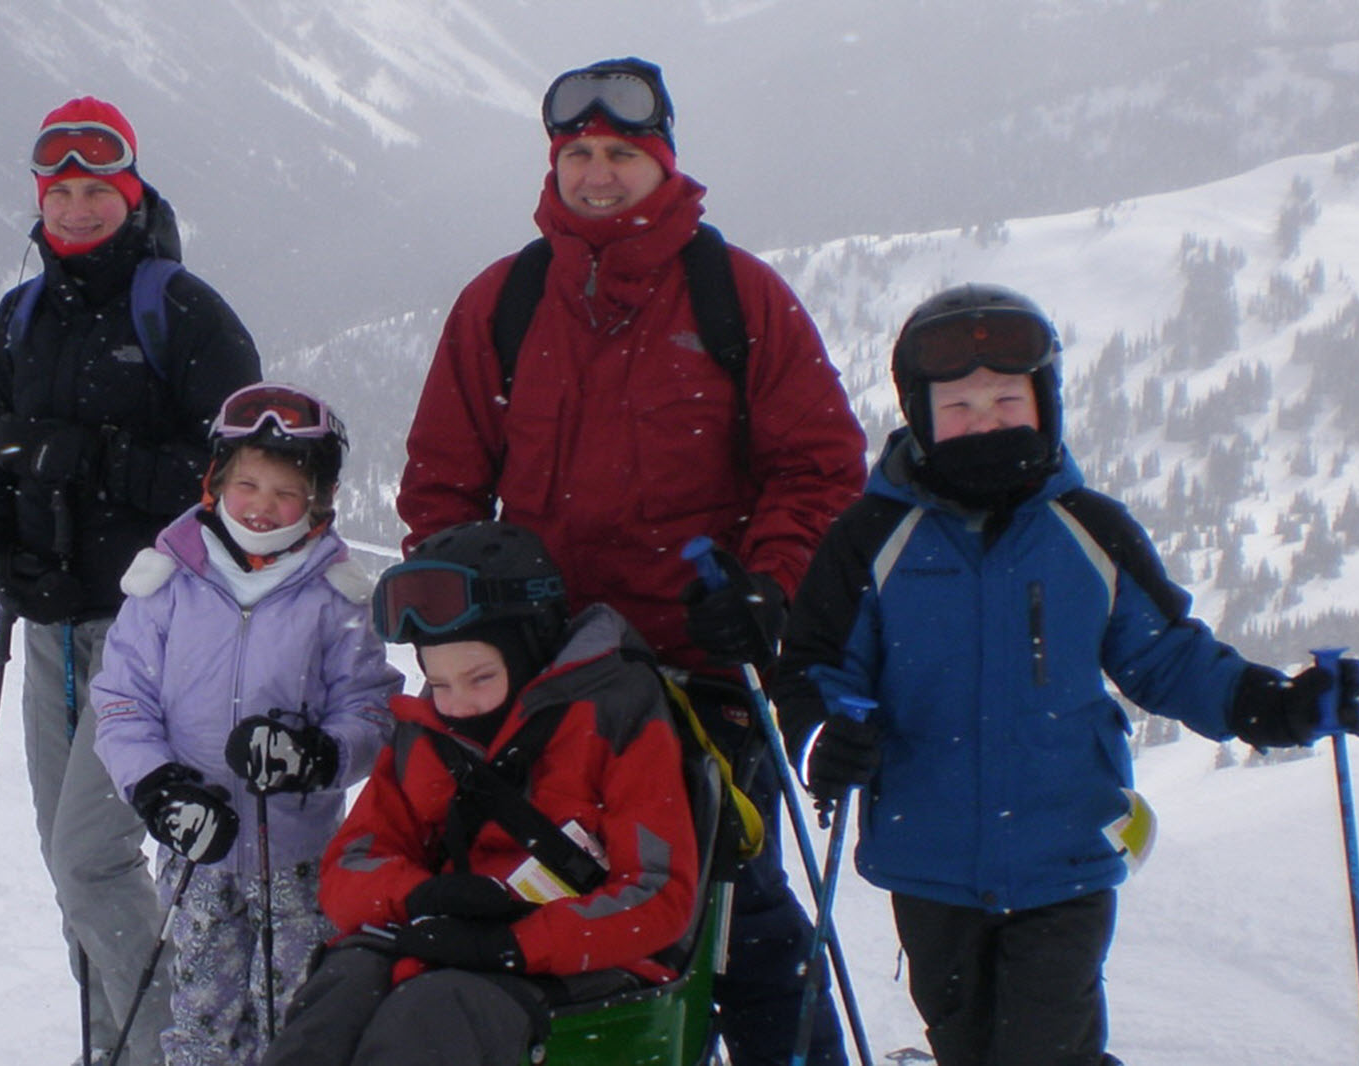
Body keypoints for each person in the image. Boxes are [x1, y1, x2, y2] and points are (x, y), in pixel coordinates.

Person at [770, 283, 1359, 1066]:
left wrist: (1274, 705)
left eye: (1003, 400)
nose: (982, 420)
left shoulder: (1086, 530)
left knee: (1046, 1049)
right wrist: (827, 735)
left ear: (1044, 403)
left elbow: (1165, 656)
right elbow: (815, 669)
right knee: (965, 1041)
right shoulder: (872, 536)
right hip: (928, 857)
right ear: (918, 417)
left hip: (1063, 853)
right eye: (956, 405)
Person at [395, 56, 866, 1065]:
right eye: (577, 154)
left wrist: (767, 586)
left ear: (663, 164)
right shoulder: (505, 302)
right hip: (541, 687)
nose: (597, 175)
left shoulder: (734, 295)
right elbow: (440, 483)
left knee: (739, 917)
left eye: (619, 154)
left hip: (698, 673)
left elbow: (819, 466)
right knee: (546, 901)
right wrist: (462, 626)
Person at [0, 95, 263, 1064]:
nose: (79, 208)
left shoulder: (179, 309)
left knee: (89, 858)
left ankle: (164, 1050)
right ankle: (114, 1046)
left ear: (130, 196)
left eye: (98, 189)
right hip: (48, 625)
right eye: (62, 190)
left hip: (158, 626)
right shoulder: (21, 315)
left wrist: (87, 456)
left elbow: (244, 479)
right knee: (72, 867)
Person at [259, 520, 701, 1066]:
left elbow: (658, 895)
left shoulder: (617, 717)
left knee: (431, 1017)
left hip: (581, 955)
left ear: (529, 650)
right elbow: (352, 861)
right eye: (438, 683)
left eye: (481, 678)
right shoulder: (427, 732)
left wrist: (516, 945)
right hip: (436, 937)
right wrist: (418, 897)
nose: (458, 705)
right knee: (335, 1001)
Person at [91, 383, 401, 1065]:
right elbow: (120, 701)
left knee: (294, 1011)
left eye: (286, 493)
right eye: (247, 485)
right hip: (196, 848)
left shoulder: (334, 596)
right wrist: (159, 789)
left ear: (317, 501)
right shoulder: (167, 582)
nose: (262, 507)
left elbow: (371, 709)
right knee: (199, 1014)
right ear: (215, 483)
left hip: (296, 858)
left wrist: (319, 755)